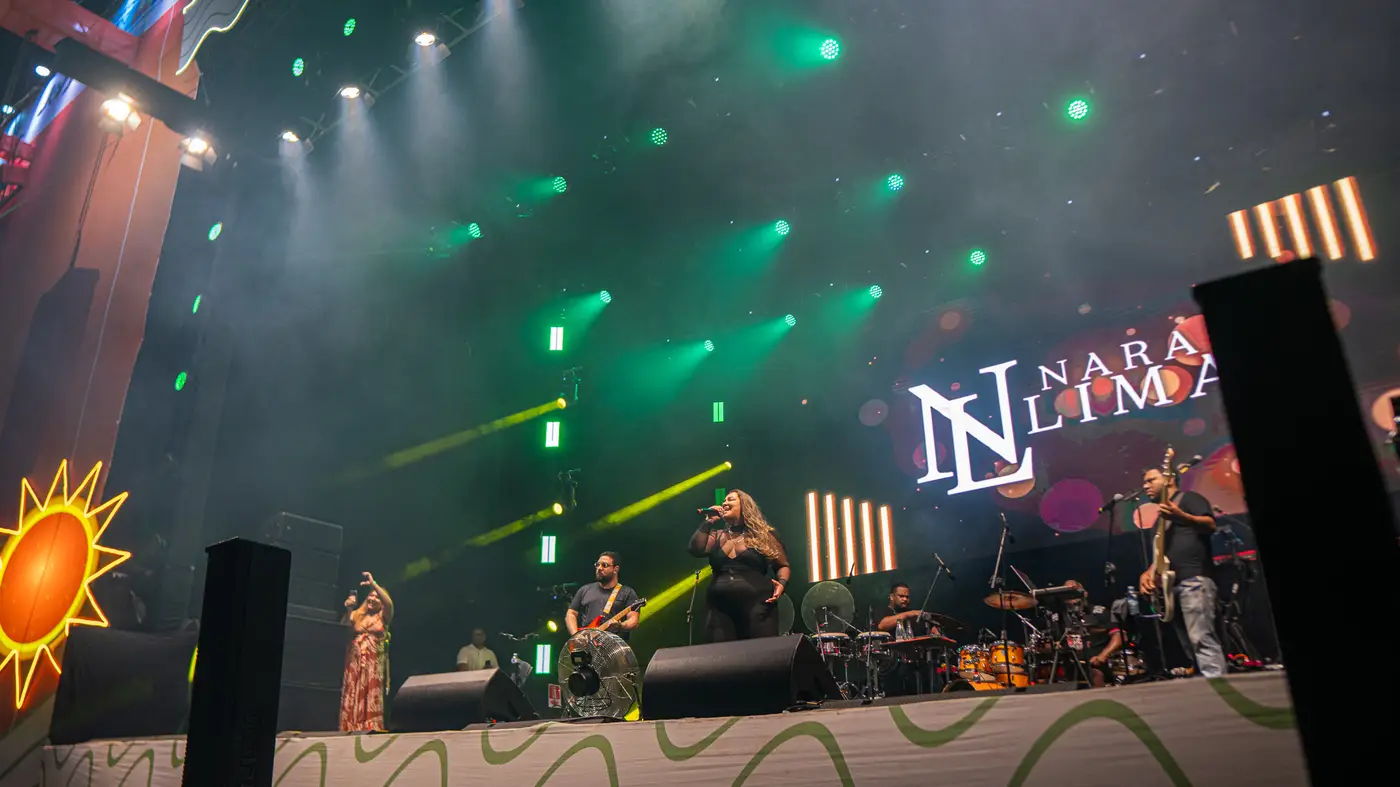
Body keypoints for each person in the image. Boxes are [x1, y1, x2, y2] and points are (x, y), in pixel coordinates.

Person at [1139, 466, 1227, 678]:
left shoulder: (1189, 499)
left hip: (1194, 579)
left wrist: (1182, 516)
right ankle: (1205, 686)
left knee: (1202, 638)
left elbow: (1210, 525)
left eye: (1151, 480)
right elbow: (1161, 553)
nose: (1145, 486)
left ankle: (1219, 684)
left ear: (1169, 479)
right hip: (1171, 586)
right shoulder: (1159, 521)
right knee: (1189, 644)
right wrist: (1149, 572)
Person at [687, 489, 791, 642]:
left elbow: (782, 565)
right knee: (721, 653)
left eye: (730, 499)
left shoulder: (763, 535)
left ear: (744, 505)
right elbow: (696, 549)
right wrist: (708, 522)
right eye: (724, 501)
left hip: (757, 605)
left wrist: (781, 584)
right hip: (720, 609)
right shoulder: (718, 535)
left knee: (759, 651)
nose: (724, 503)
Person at [340, 571, 394, 732]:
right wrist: (349, 609)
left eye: (377, 597)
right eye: (370, 596)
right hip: (354, 664)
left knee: (370, 694)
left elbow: (389, 603)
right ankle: (349, 726)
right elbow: (344, 628)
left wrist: (373, 584)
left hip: (373, 665)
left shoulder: (383, 616)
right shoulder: (358, 614)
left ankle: (369, 728)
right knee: (353, 693)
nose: (372, 599)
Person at [875, 581, 944, 695]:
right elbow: (882, 625)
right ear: (892, 597)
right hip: (892, 663)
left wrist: (934, 630)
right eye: (901, 596)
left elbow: (928, 630)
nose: (905, 599)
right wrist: (908, 614)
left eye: (907, 597)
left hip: (915, 660)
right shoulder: (884, 611)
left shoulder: (913, 614)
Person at [566, 552, 641, 639]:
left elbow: (633, 620)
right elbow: (571, 613)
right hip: (587, 643)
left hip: (613, 644)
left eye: (604, 565)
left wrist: (621, 626)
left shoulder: (627, 592)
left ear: (615, 569)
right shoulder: (585, 590)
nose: (599, 568)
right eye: (597, 565)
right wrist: (576, 636)